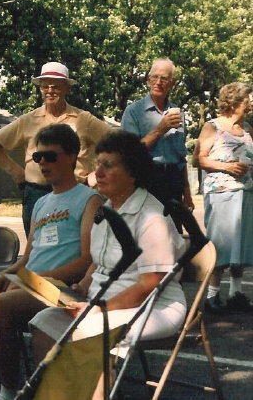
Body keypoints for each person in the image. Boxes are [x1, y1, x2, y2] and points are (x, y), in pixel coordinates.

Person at [28, 130, 187, 400]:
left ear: (132, 173)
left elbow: (149, 284)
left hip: (154, 307)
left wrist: (96, 310)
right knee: (43, 322)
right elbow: (98, 265)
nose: (97, 172)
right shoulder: (106, 211)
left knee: (91, 333)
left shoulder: (151, 217)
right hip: (101, 303)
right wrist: (81, 287)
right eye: (97, 164)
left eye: (108, 166)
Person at [0, 124, 104, 400]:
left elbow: (86, 260)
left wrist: (31, 280)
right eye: (38, 157)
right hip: (32, 284)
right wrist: (8, 272)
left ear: (72, 156)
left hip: (65, 290)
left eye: (50, 156)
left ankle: (10, 388)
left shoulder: (90, 200)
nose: (43, 163)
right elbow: (29, 255)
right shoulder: (41, 203)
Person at [0, 61, 110, 237]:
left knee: (76, 244)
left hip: (75, 193)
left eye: (56, 86)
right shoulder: (29, 120)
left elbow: (118, 144)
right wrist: (16, 173)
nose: (50, 90)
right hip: (37, 194)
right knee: (37, 246)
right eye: (45, 86)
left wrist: (97, 173)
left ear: (66, 88)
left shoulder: (84, 119)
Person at [192, 82, 253, 313]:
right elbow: (199, 159)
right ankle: (211, 297)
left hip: (246, 193)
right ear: (234, 101)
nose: (250, 104)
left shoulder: (247, 128)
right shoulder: (212, 127)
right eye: (247, 99)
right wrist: (227, 167)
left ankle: (236, 293)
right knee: (221, 244)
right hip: (222, 193)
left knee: (242, 245)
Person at [121, 58, 194, 222]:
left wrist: (187, 194)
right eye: (155, 77)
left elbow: (181, 157)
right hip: (146, 180)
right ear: (148, 80)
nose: (159, 82)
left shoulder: (177, 112)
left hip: (173, 181)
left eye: (164, 78)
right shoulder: (134, 111)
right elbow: (130, 152)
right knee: (149, 234)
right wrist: (161, 129)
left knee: (175, 236)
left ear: (172, 83)